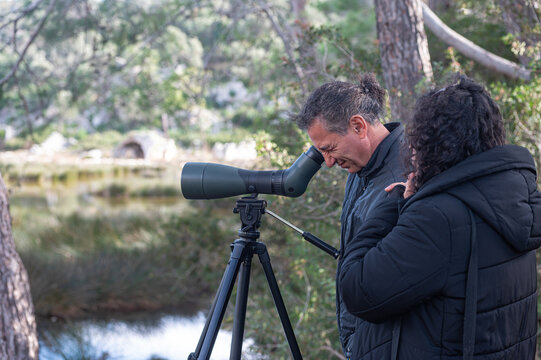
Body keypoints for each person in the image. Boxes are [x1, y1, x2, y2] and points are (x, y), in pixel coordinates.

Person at [338, 75, 541, 359]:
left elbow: (357, 290)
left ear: (434, 142)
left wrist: (392, 203)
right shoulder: (513, 200)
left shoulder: (439, 218)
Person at [295, 73, 406, 358]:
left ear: (358, 126)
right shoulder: (360, 166)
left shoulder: (406, 175)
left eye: (330, 149)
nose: (329, 163)